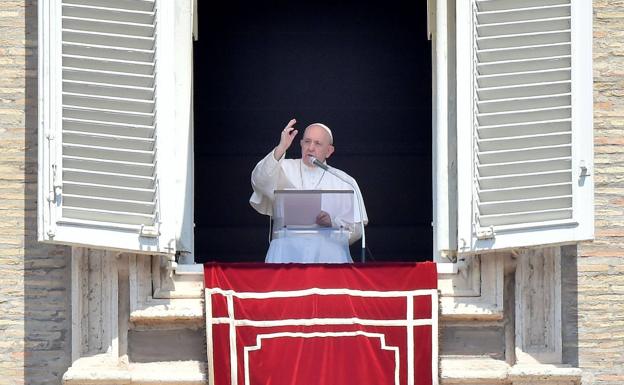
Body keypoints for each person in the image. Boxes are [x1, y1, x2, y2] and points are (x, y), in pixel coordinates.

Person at [250, 119, 368, 263]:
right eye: (307, 141)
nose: (311, 148)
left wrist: (333, 224)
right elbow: (259, 180)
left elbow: (357, 229)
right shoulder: (283, 168)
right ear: (301, 144)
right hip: (286, 255)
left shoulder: (344, 180)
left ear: (329, 151)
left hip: (328, 257)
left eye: (318, 143)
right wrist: (281, 147)